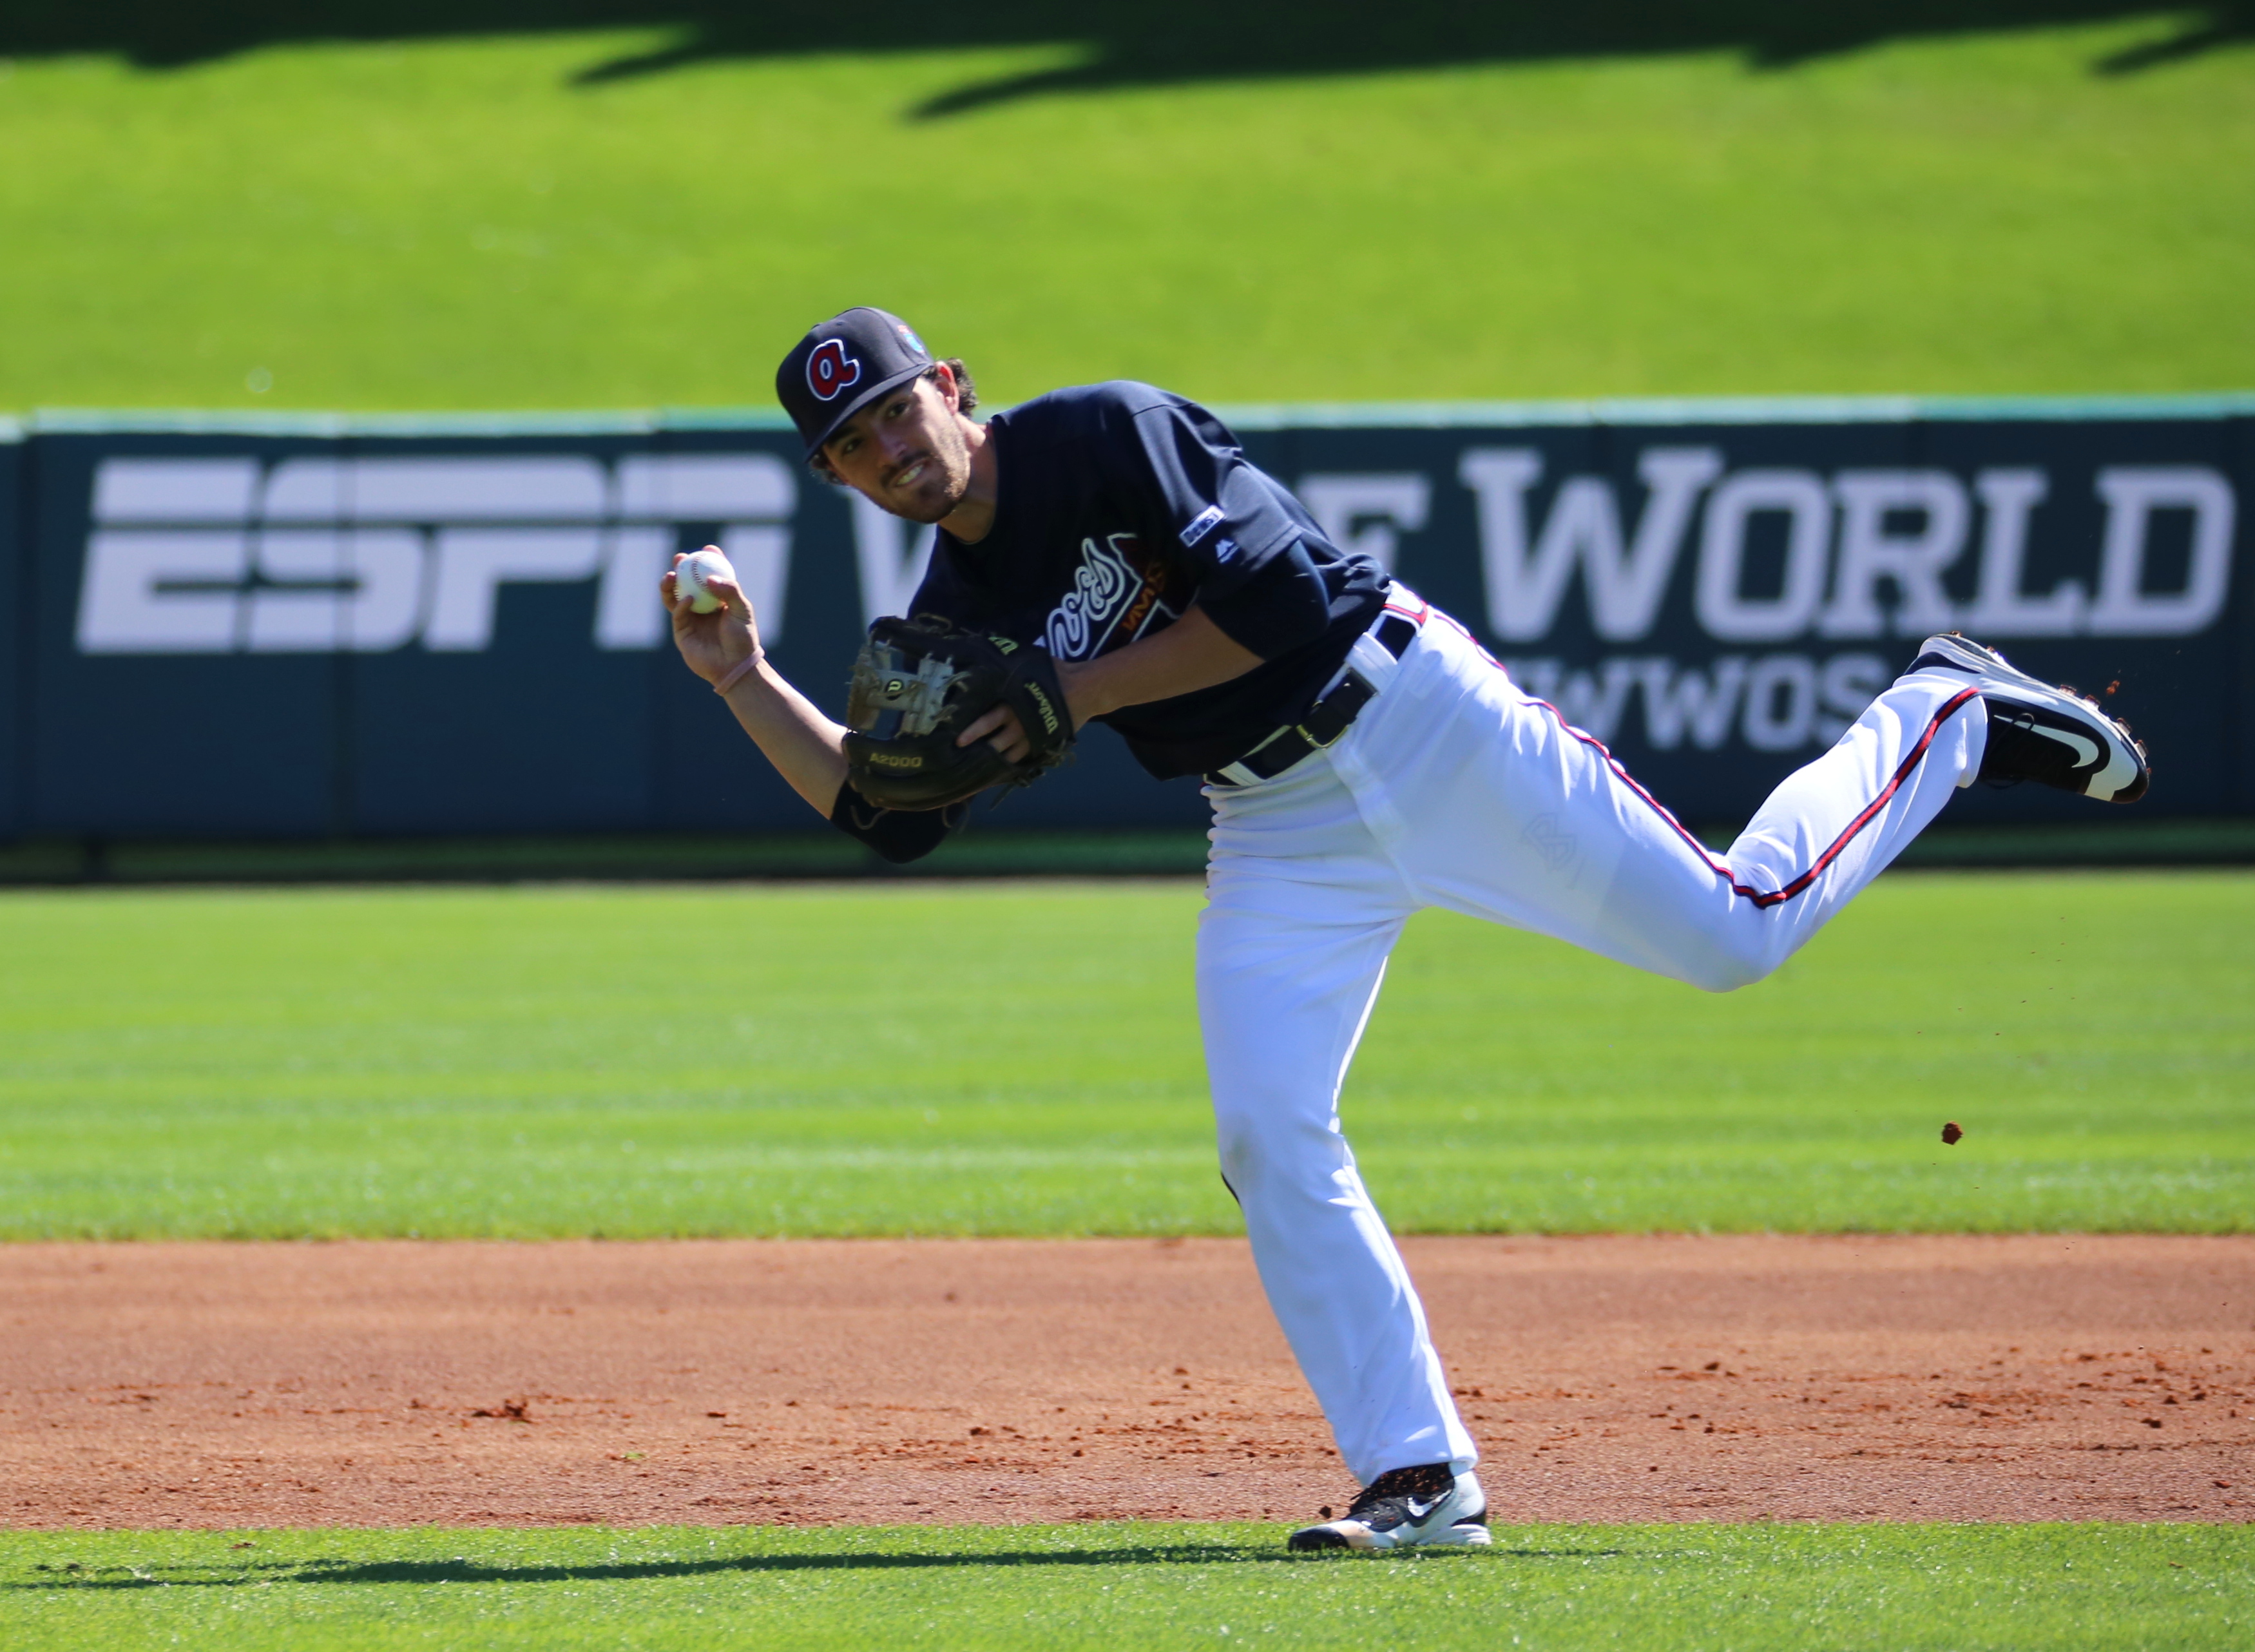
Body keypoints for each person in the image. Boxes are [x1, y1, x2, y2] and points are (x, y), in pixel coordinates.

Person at [663, 307, 2149, 1553]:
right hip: (1276, 829)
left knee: (1735, 932)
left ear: (952, 387)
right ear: (842, 480)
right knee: (1265, 1127)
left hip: (1420, 721)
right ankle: (1420, 1473)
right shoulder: (959, 607)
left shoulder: (1105, 433)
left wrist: (1083, 691)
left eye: (894, 411)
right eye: (849, 449)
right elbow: (893, 815)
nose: (884, 451)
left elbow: (1281, 599)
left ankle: (1944, 709)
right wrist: (741, 680)